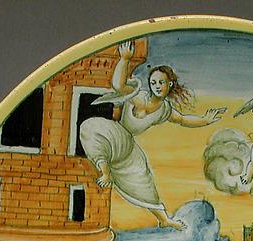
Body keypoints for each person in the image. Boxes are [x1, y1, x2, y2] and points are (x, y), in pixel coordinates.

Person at [80, 40, 226, 230]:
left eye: (161, 82)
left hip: (128, 146)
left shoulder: (164, 110)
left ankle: (164, 219)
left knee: (144, 180)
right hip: (117, 134)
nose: (157, 86)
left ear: (170, 84)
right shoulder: (138, 95)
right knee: (91, 128)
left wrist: (205, 120)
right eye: (153, 82)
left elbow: (183, 120)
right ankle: (105, 172)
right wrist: (124, 59)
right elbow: (118, 85)